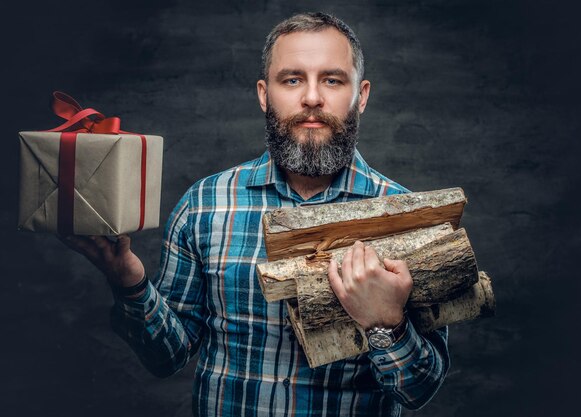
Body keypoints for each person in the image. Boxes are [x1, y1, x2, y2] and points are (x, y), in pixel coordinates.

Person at [64, 12, 449, 417]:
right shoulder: (204, 205)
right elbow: (166, 357)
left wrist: (384, 325)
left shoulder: (410, 219)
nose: (313, 98)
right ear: (265, 94)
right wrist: (128, 281)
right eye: (292, 79)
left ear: (362, 95)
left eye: (332, 80)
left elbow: (419, 391)